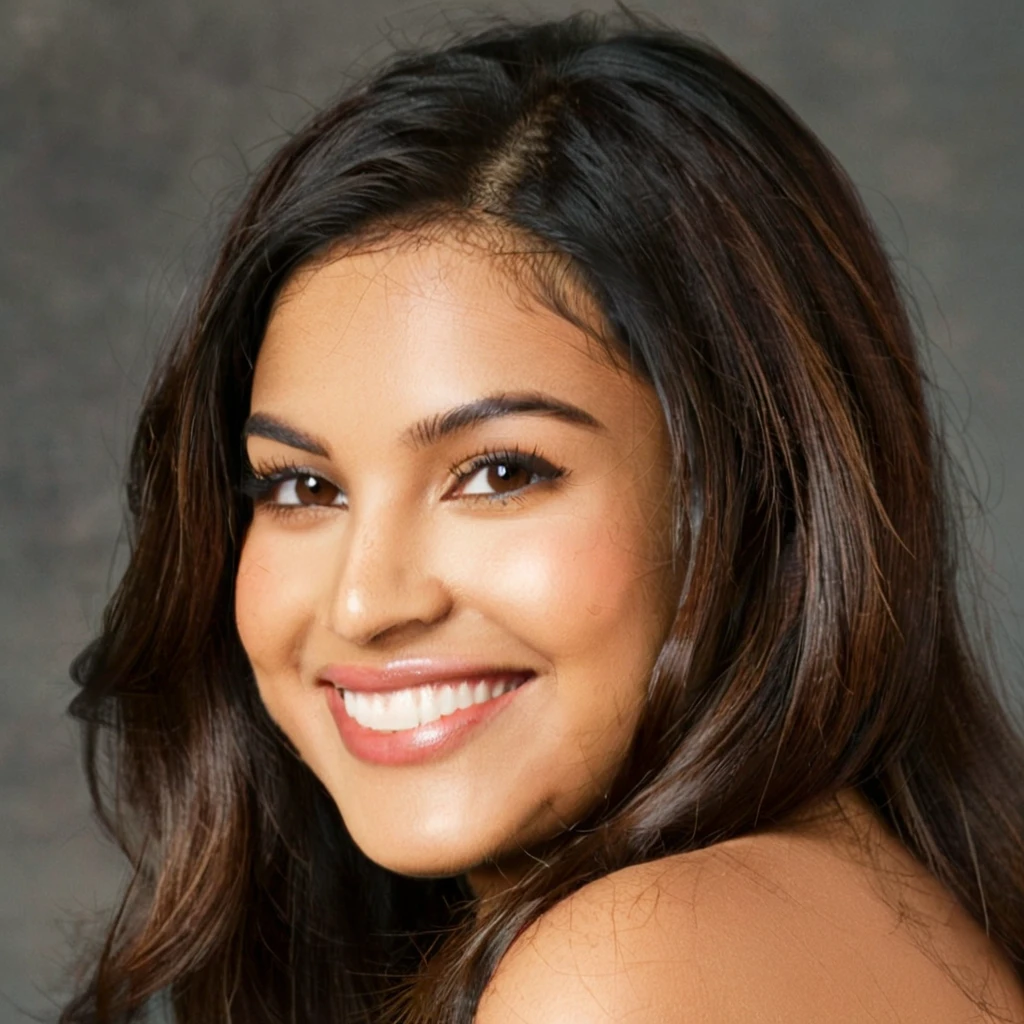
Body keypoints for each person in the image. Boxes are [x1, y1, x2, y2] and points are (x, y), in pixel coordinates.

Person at [62, 10, 1024, 1023]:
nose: (365, 600)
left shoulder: (629, 970)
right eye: (303, 488)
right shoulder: (851, 903)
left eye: (499, 472)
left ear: (754, 502)